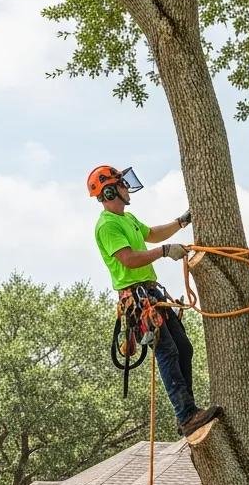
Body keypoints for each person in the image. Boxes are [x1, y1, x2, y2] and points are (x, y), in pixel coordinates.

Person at [88, 164, 221, 440]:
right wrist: (163, 253)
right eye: (122, 184)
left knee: (184, 347)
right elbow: (128, 258)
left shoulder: (128, 218)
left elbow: (153, 234)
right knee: (167, 351)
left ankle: (188, 412)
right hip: (136, 297)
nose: (127, 188)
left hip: (151, 292)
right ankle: (186, 414)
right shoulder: (107, 225)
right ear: (110, 190)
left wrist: (182, 221)